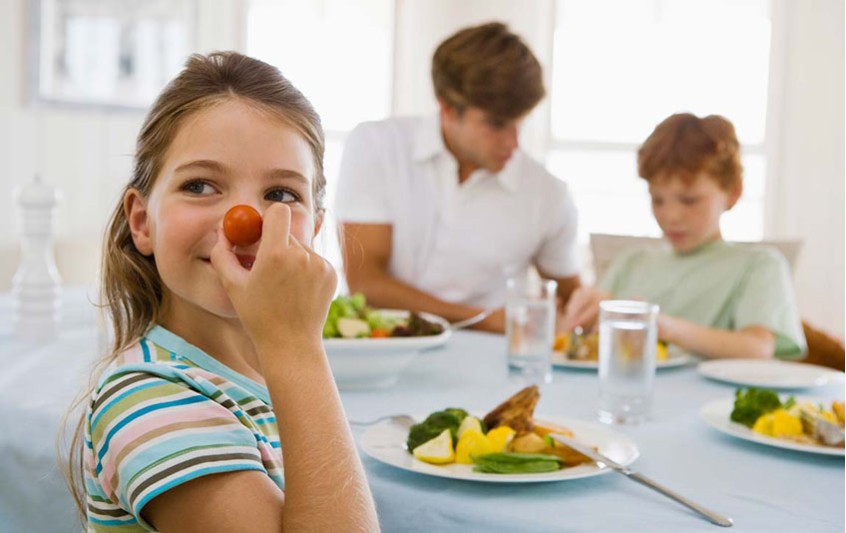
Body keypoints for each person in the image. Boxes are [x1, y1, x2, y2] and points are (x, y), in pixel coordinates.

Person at [63, 52, 379, 531]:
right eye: (201, 185)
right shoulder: (145, 400)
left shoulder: (277, 377)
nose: (244, 222)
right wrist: (297, 345)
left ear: (313, 229)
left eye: (280, 195)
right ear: (143, 221)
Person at [334, 22, 580, 333]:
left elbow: (572, 300)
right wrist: (482, 318)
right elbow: (366, 285)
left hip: (492, 369)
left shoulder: (548, 193)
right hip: (386, 354)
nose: (513, 143)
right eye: (496, 124)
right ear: (448, 109)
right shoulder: (377, 146)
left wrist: (590, 307)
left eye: (520, 123)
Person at [563, 113, 806, 360]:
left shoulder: (759, 265)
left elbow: (758, 348)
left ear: (733, 193)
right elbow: (584, 347)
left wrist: (660, 325)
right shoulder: (631, 262)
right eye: (657, 199)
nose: (671, 216)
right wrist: (584, 317)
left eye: (689, 200)